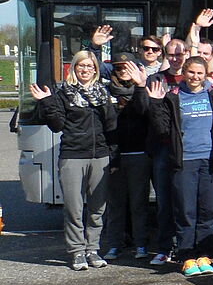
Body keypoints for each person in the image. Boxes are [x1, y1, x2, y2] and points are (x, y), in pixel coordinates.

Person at [29, 50, 117, 270]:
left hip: (100, 156)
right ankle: (77, 252)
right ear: (74, 68)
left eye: (89, 66)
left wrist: (114, 155)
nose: (85, 70)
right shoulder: (63, 93)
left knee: (98, 208)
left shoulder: (103, 93)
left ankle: (93, 250)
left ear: (95, 69)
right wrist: (47, 102)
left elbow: (112, 125)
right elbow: (57, 125)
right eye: (81, 66)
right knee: (74, 208)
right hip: (73, 155)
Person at [146, 56, 213, 275]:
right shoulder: (173, 97)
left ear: (206, 75)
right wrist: (156, 103)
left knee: (209, 211)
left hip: (210, 161)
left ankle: (204, 255)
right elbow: (163, 130)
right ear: (184, 72)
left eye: (200, 73)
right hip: (184, 161)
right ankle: (187, 257)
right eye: (191, 72)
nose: (195, 77)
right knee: (186, 211)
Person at [101, 56, 152, 260]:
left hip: (139, 154)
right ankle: (114, 244)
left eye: (127, 67)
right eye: (119, 68)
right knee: (115, 204)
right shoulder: (106, 92)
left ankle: (141, 244)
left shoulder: (143, 90)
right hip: (114, 155)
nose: (123, 71)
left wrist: (140, 86)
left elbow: (144, 111)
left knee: (139, 203)